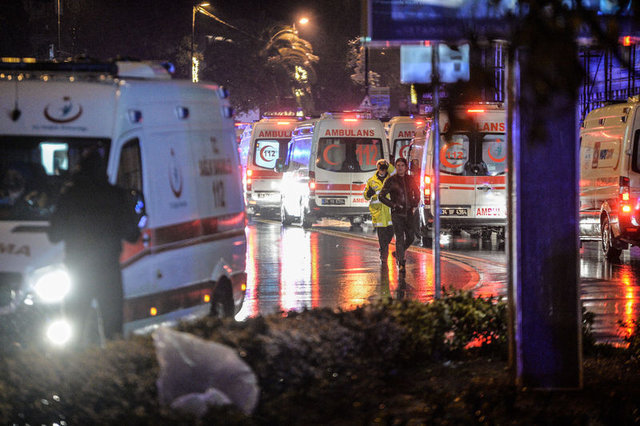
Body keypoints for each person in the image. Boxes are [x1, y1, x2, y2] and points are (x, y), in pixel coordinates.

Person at [48, 149, 140, 343]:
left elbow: (54, 235)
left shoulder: (70, 197)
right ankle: (113, 361)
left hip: (78, 271)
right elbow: (132, 234)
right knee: (113, 332)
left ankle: (73, 362)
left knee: (73, 331)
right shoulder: (116, 196)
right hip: (108, 270)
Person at [378, 157, 419, 273]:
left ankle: (398, 253)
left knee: (411, 237)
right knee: (400, 238)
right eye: (398, 165)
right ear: (395, 167)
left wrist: (415, 202)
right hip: (397, 214)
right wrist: (393, 205)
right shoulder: (391, 180)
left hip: (409, 213)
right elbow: (381, 196)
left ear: (406, 167)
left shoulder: (410, 179)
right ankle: (401, 262)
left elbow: (417, 192)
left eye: (402, 165)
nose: (400, 168)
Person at [364, 159, 395, 268]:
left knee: (390, 234)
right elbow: (365, 196)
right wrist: (368, 194)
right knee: (382, 237)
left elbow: (395, 171)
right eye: (380, 168)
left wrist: (387, 163)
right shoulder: (371, 181)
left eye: (384, 168)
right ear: (377, 168)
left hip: (390, 212)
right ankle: (384, 255)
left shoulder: (392, 178)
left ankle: (383, 249)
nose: (382, 170)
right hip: (379, 213)